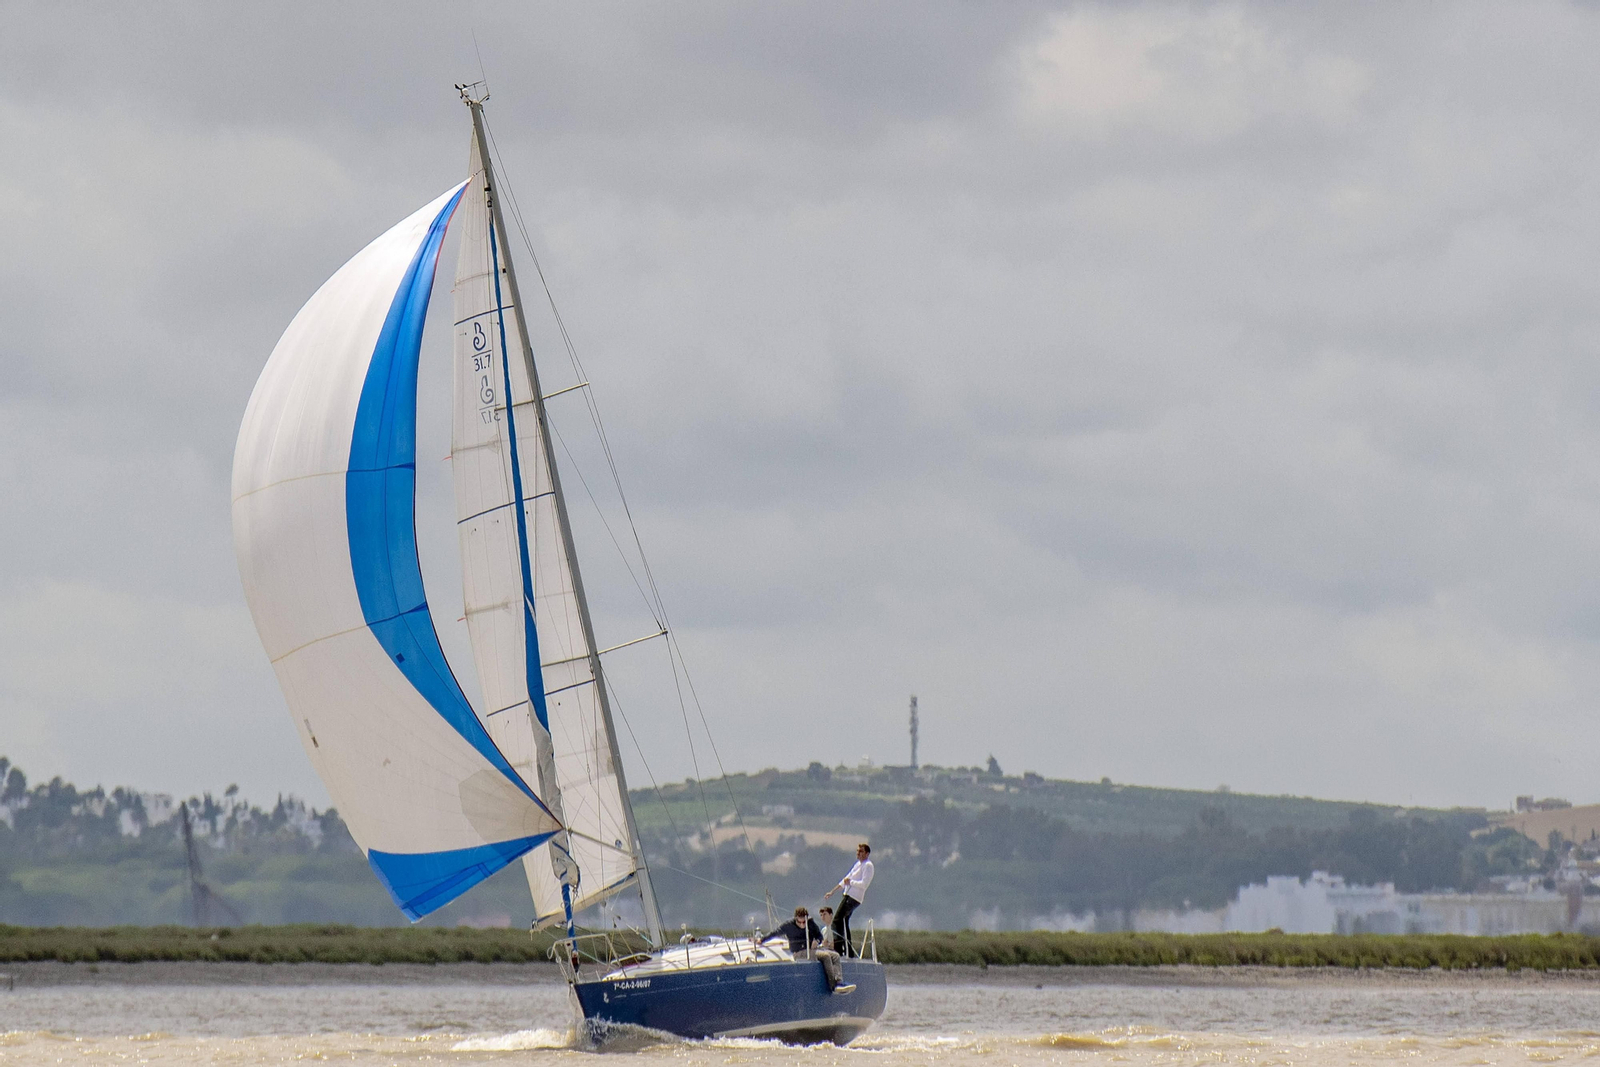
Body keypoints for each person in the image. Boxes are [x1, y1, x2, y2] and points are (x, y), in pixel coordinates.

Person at [759, 906, 850, 993]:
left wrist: (817, 941)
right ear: (796, 919)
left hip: (811, 950)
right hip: (799, 952)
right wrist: (761, 940)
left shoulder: (810, 923)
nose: (802, 925)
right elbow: (775, 933)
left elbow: (819, 936)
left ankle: (839, 981)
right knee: (825, 956)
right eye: (800, 922)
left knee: (835, 955)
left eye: (804, 922)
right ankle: (833, 985)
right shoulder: (788, 925)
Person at [823, 842, 873, 958]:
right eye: (857, 851)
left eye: (861, 851)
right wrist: (832, 891)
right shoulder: (857, 865)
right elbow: (845, 879)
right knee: (844, 922)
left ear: (867, 853)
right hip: (847, 895)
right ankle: (848, 952)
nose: (858, 853)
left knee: (836, 920)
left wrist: (851, 882)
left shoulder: (868, 866)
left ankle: (839, 949)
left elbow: (864, 884)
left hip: (854, 897)